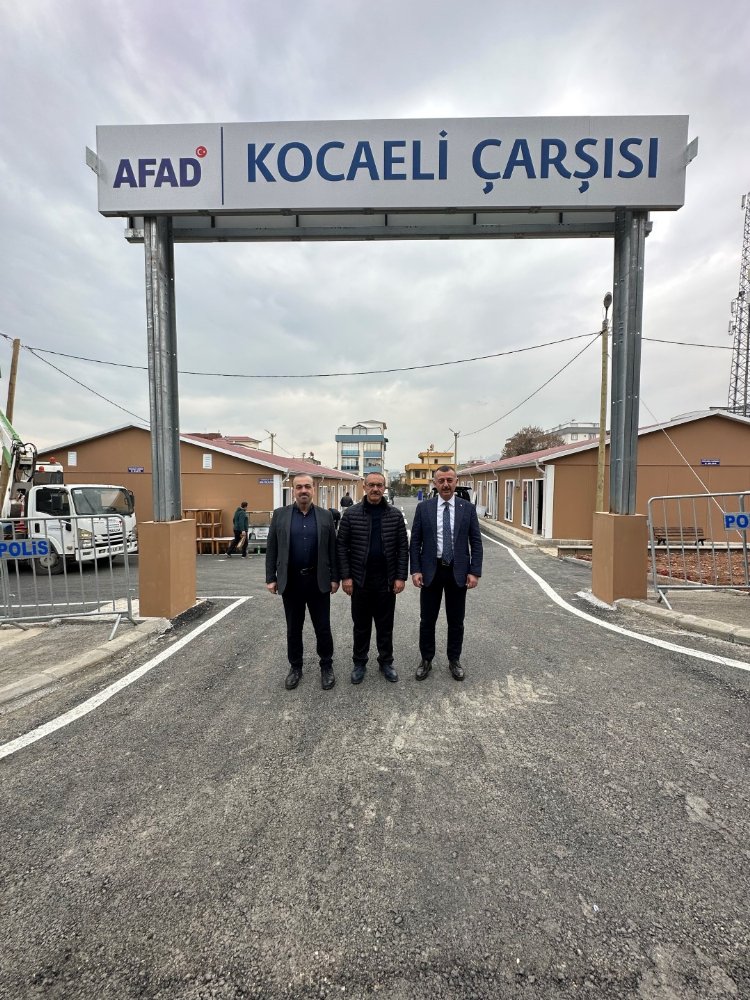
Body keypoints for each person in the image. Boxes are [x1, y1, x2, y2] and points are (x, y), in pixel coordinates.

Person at [266, 474, 339, 691]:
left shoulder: (326, 516)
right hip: (291, 582)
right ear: (293, 490)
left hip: (318, 581)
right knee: (293, 628)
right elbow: (272, 548)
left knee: (323, 628)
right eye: (299, 487)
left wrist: (335, 577)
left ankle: (326, 666)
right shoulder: (280, 515)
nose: (303, 490)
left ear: (313, 489)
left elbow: (333, 549)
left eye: (307, 486)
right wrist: (271, 578)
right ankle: (295, 667)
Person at [410, 466, 483, 682]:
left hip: (457, 572)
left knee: (456, 621)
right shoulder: (424, 508)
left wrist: (474, 571)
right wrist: (416, 570)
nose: (445, 484)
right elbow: (415, 542)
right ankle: (426, 659)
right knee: (427, 620)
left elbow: (476, 542)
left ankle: (454, 660)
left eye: (449, 480)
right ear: (435, 483)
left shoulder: (467, 508)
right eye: (441, 480)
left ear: (456, 481)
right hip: (431, 571)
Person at [337, 472, 409, 684]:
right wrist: (346, 577)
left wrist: (400, 577)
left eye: (379, 485)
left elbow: (402, 549)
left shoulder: (394, 515)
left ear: (384, 488)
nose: (375, 489)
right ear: (364, 487)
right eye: (371, 485)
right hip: (360, 581)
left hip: (386, 581)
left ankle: (386, 661)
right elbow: (341, 547)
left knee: (385, 626)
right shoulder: (351, 514)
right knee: (361, 626)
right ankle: (359, 662)